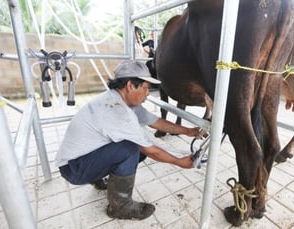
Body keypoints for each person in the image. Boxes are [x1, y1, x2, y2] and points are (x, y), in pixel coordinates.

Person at [55, 60, 202, 220]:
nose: (147, 93)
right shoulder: (117, 111)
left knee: (132, 150)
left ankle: (98, 177)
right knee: (130, 149)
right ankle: (121, 207)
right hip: (73, 168)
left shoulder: (119, 99)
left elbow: (155, 122)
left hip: (80, 158)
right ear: (131, 85)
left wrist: (188, 131)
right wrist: (180, 162)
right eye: (146, 88)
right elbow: (150, 149)